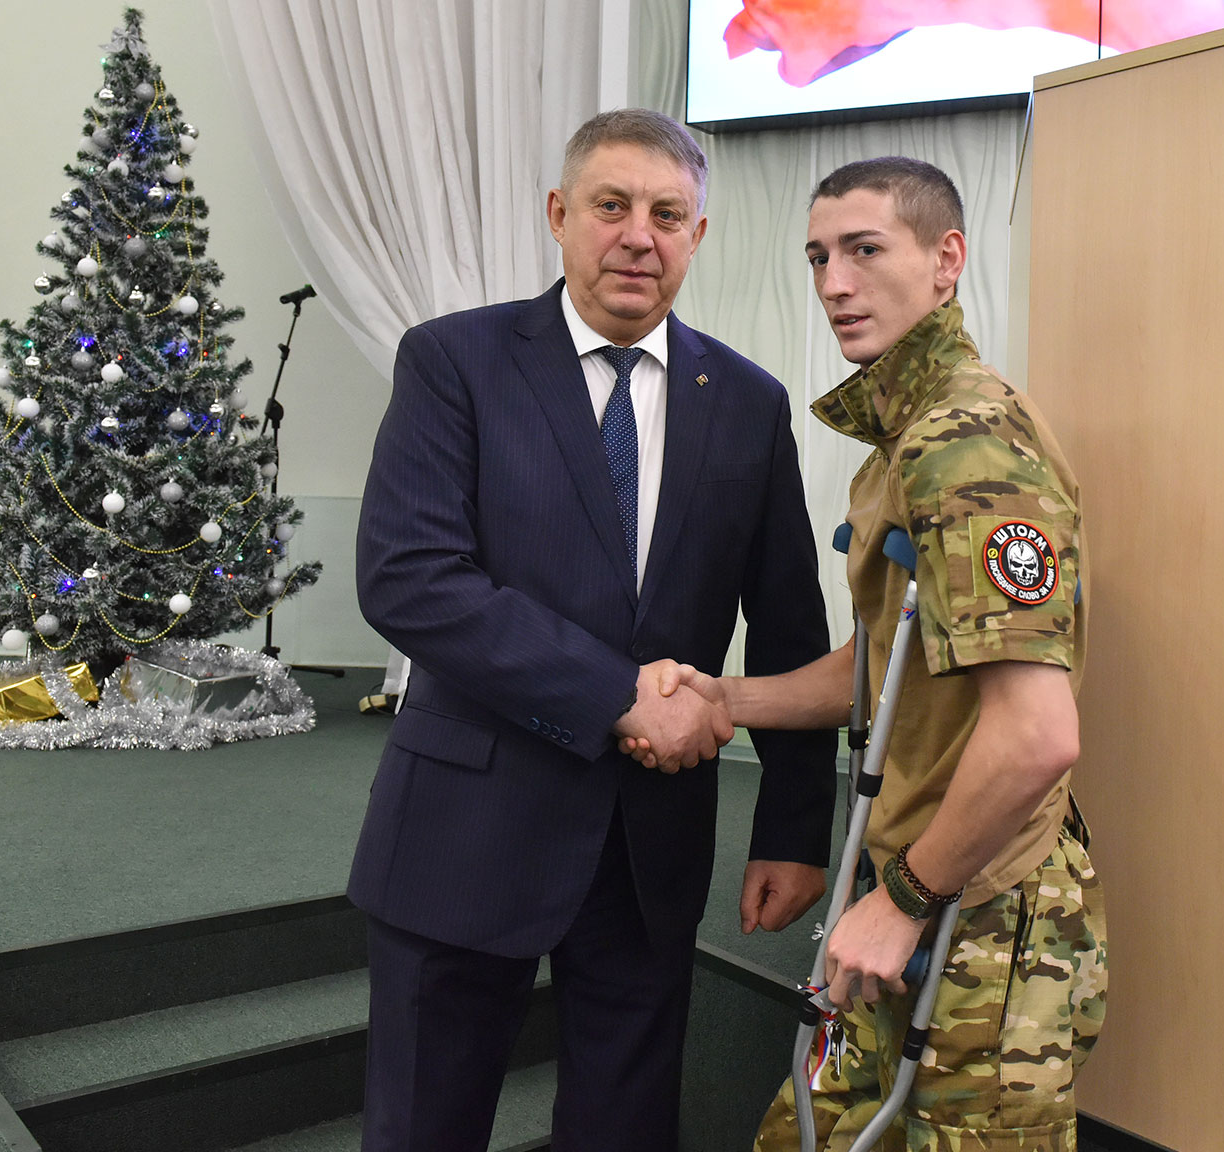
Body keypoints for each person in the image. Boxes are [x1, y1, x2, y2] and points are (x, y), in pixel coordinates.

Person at [348, 108, 837, 1152]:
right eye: (611, 206)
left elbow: (789, 626)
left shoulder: (748, 403)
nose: (637, 237)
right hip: (464, 832)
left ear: (697, 235)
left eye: (667, 214)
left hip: (647, 852)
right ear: (560, 215)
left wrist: (793, 831)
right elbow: (411, 580)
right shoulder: (453, 361)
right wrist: (619, 696)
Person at [631, 157, 1107, 1151]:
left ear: (946, 260)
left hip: (979, 908)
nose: (835, 283)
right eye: (818, 257)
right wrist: (727, 699)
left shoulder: (968, 443)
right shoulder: (905, 437)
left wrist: (902, 903)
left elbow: (1036, 735)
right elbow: (886, 664)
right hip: (914, 878)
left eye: (864, 250)